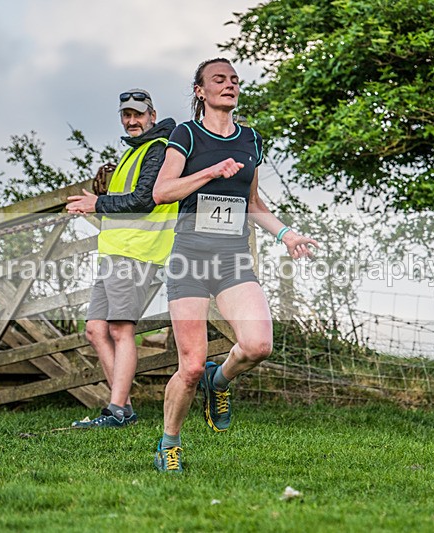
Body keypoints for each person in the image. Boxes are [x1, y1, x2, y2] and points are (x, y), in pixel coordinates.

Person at [150, 59, 318, 472]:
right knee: (188, 366)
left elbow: (254, 204)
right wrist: (209, 172)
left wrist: (287, 235)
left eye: (234, 80)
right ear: (200, 91)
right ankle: (169, 444)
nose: (229, 85)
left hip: (231, 259)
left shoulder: (250, 140)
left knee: (259, 345)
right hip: (190, 257)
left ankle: (219, 380)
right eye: (218, 80)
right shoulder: (185, 135)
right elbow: (162, 192)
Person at [66, 89, 177, 428]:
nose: (131, 120)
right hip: (116, 252)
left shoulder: (158, 149)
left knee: (120, 329)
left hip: (137, 253)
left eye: (138, 114)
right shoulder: (135, 151)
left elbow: (145, 200)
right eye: (126, 115)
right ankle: (123, 407)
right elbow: (128, 199)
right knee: (95, 329)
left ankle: (116, 411)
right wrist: (101, 198)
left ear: (152, 115)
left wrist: (97, 205)